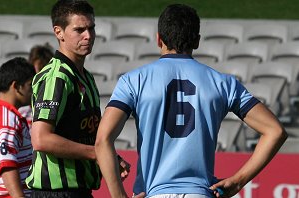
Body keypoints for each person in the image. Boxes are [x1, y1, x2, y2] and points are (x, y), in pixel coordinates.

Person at [94, 3, 288, 198]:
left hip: (153, 193)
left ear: (158, 39)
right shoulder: (223, 83)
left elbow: (103, 140)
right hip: (200, 193)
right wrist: (238, 181)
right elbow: (275, 131)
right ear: (197, 41)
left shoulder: (134, 80)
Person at [25, 1, 130, 198]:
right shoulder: (56, 77)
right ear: (59, 32)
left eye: (91, 28)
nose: (88, 36)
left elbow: (81, 133)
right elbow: (41, 139)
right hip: (55, 192)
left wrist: (109, 156)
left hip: (78, 191)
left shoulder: (86, 77)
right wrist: (97, 153)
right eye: (79, 30)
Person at [0, 57, 35, 197]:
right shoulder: (8, 118)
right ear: (16, 86)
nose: (33, 90)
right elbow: (6, 162)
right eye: (30, 84)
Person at [18, 43, 54, 128]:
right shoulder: (20, 108)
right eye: (35, 73)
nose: (38, 78)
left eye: (43, 73)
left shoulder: (55, 104)